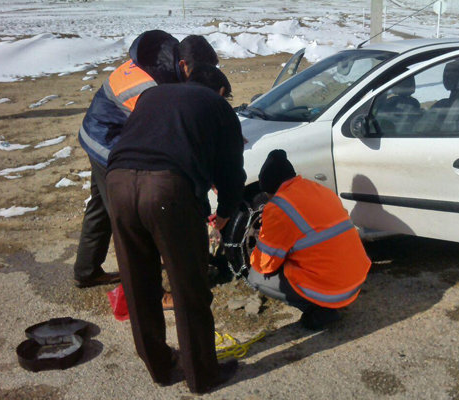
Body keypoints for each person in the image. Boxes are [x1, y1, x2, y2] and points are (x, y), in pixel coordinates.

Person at [105, 66, 245, 393]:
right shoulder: (218, 107)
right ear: (221, 91)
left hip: (119, 182)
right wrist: (224, 214)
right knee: (188, 287)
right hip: (166, 190)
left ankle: (160, 366)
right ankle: (202, 375)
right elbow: (231, 172)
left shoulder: (153, 94)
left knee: (138, 282)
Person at [74, 31, 218, 288]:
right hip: (109, 144)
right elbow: (167, 138)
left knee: (100, 207)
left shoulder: (162, 60)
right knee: (132, 222)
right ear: (183, 64)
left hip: (96, 131)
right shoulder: (153, 88)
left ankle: (86, 270)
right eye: (195, 75)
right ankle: (150, 292)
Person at [248, 150, 371, 330]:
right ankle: (328, 299)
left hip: (335, 289)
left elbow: (265, 264)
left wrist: (259, 246)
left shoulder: (278, 208)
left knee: (255, 276)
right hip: (357, 276)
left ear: (270, 191)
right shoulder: (320, 189)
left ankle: (320, 310)